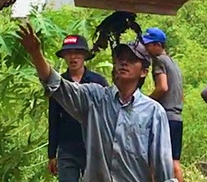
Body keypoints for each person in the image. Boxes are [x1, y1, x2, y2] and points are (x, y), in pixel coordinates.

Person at [17, 23, 177, 182]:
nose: (124, 63)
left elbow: (162, 166)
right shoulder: (95, 98)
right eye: (121, 59)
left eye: (132, 60)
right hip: (71, 152)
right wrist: (36, 53)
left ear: (144, 72)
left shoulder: (153, 112)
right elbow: (56, 85)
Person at [48, 34, 109, 182]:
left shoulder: (98, 81)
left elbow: (108, 115)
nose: (73, 57)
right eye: (68, 53)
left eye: (77, 53)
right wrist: (51, 154)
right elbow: (54, 119)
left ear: (84, 56)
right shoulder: (59, 84)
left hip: (94, 147)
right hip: (67, 147)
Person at [141, 27, 185, 182]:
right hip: (177, 117)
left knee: (155, 162)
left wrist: (146, 102)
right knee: (174, 162)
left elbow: (162, 87)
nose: (145, 48)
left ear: (158, 45)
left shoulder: (159, 61)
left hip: (165, 116)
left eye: (148, 45)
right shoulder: (173, 63)